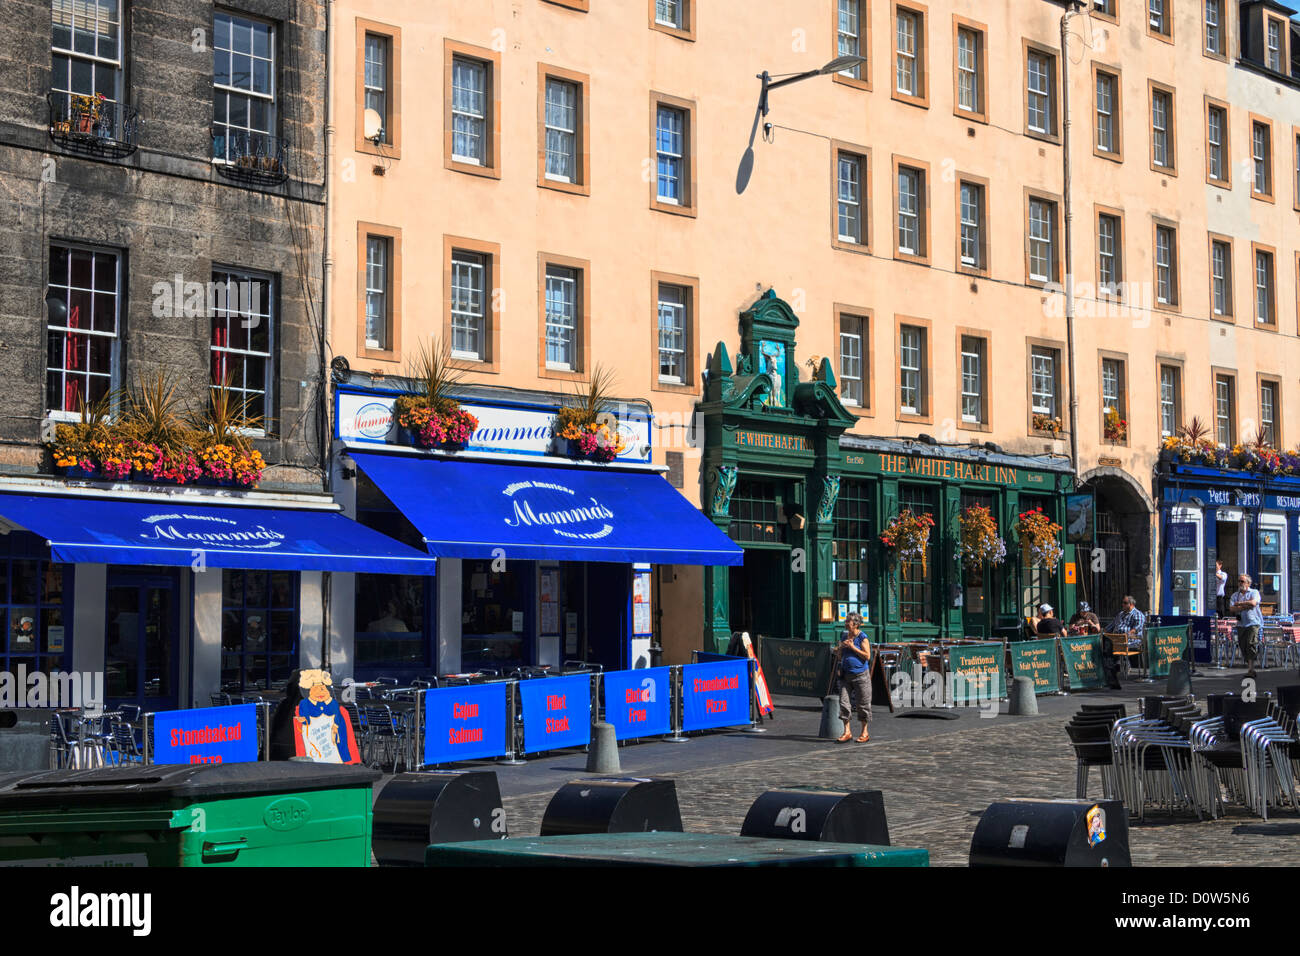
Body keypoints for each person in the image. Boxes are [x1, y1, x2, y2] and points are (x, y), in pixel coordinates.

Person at [835, 612, 872, 743]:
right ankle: (847, 732)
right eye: (846, 622)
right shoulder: (844, 635)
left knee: (863, 704)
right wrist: (840, 648)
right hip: (845, 675)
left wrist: (852, 647)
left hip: (860, 675)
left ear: (855, 624)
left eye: (848, 622)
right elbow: (839, 656)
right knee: (844, 703)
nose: (846, 624)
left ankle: (864, 732)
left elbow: (867, 656)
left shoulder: (862, 638)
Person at [1102, 595, 1146, 689]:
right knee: (1103, 646)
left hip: (1131, 640)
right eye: (1123, 602)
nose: (1122, 604)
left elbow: (1137, 628)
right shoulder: (1120, 614)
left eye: (1125, 603)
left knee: (1111, 649)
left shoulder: (1137, 614)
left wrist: (1127, 634)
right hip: (1116, 640)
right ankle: (1110, 672)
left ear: (1131, 604)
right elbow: (1112, 625)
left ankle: (1118, 666)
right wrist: (1103, 631)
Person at [1229, 573, 1262, 678]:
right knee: (1243, 646)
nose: (1240, 583)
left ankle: (1251, 669)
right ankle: (1250, 668)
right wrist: (1244, 606)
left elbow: (1253, 603)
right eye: (1239, 581)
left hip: (1253, 623)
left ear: (1248, 583)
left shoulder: (1254, 592)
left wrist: (1239, 604)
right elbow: (1232, 608)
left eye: (1242, 581)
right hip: (1241, 624)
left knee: (1250, 643)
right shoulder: (1235, 595)